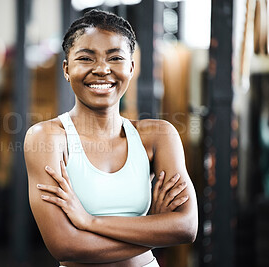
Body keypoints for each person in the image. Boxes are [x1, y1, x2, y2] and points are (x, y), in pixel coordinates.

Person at [24, 9, 198, 267]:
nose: (102, 70)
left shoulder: (159, 136)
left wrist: (89, 222)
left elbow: (186, 227)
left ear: (131, 67)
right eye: (86, 58)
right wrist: (154, 228)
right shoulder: (48, 137)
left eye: (115, 57)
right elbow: (65, 246)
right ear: (66, 69)